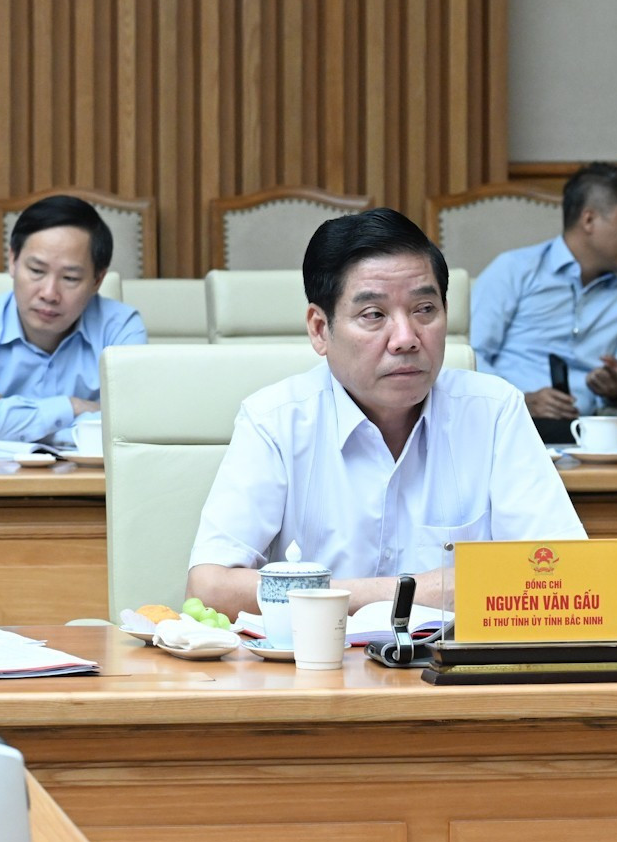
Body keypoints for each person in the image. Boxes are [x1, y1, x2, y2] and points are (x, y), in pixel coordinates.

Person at [185, 209, 582, 617]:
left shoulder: (494, 412)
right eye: (373, 315)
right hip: (316, 672)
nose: (407, 338)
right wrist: (424, 592)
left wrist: (325, 596)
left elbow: (566, 572)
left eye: (424, 309)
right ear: (320, 330)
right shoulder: (275, 421)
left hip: (458, 676)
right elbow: (211, 588)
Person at [0, 195, 147, 446]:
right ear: (13, 261)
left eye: (69, 278)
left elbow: (132, 430)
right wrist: (74, 407)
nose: (49, 293)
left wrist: (4, 414)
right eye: (37, 271)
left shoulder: (121, 328)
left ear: (97, 280)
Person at [471, 162, 617, 426]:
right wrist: (520, 401)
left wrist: (615, 388)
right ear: (589, 220)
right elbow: (470, 353)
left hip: (585, 435)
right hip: (504, 425)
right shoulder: (515, 270)